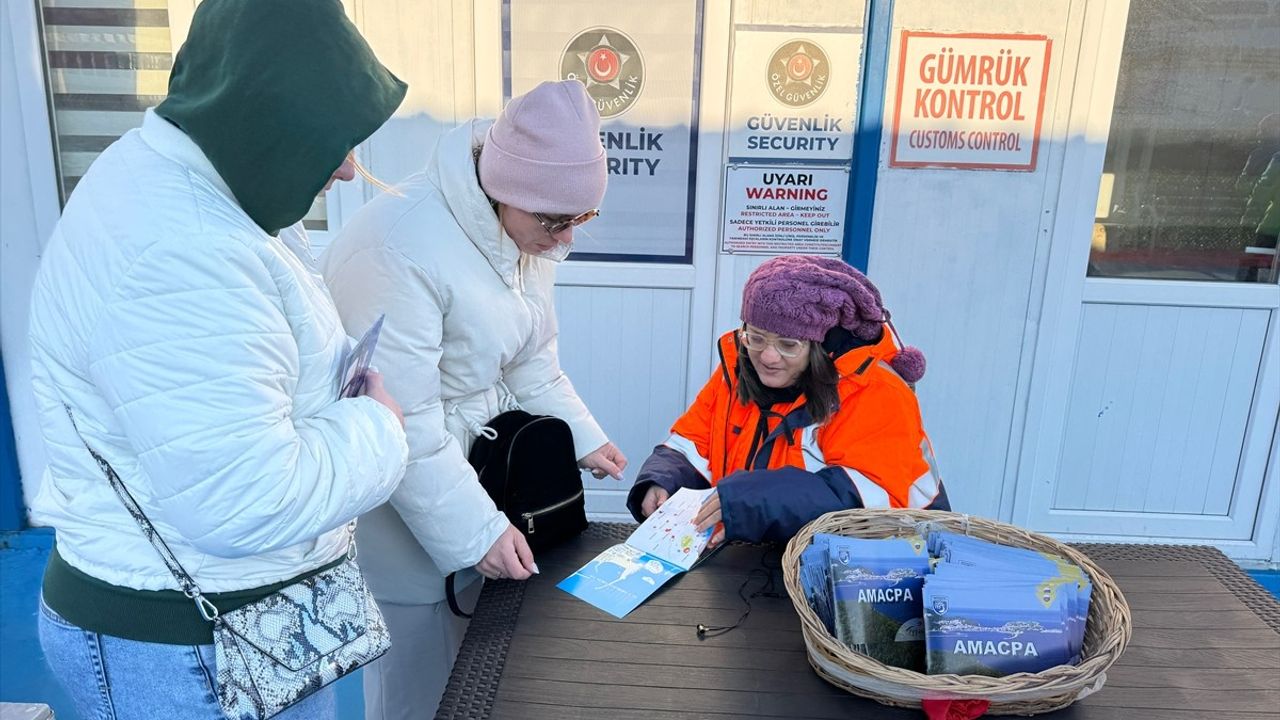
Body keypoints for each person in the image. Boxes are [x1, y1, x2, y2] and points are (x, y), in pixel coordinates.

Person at [26, 2, 410, 718]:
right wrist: (381, 427)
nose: (352, 170)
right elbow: (246, 498)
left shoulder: (194, 182)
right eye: (333, 141)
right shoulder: (184, 252)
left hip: (223, 630)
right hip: (192, 651)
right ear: (262, 117)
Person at [320, 79, 627, 719]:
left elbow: (532, 361)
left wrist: (586, 435)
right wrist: (475, 530)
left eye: (581, 220)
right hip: (413, 512)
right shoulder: (397, 245)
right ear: (504, 189)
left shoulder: (520, 234)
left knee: (486, 684)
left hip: (487, 485)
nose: (565, 240)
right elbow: (399, 421)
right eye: (555, 222)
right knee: (421, 692)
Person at [627, 255, 949, 546]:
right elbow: (694, 441)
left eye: (788, 344)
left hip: (877, 575)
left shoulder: (876, 391)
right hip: (767, 560)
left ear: (822, 346)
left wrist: (752, 500)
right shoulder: (737, 370)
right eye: (755, 337)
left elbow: (863, 504)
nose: (767, 356)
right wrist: (662, 478)